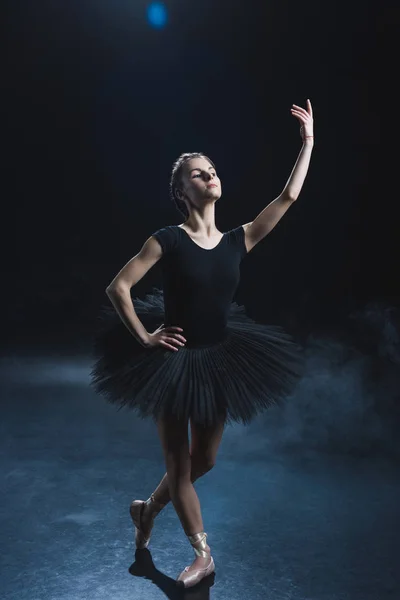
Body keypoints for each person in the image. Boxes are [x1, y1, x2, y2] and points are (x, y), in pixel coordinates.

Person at [90, 100, 314, 588]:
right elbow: (118, 287)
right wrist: (146, 336)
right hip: (172, 363)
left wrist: (309, 144)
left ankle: (147, 510)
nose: (209, 175)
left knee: (204, 459)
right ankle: (202, 555)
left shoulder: (240, 239)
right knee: (179, 464)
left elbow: (289, 197)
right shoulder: (167, 239)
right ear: (180, 189)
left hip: (218, 360)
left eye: (211, 170)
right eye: (197, 172)